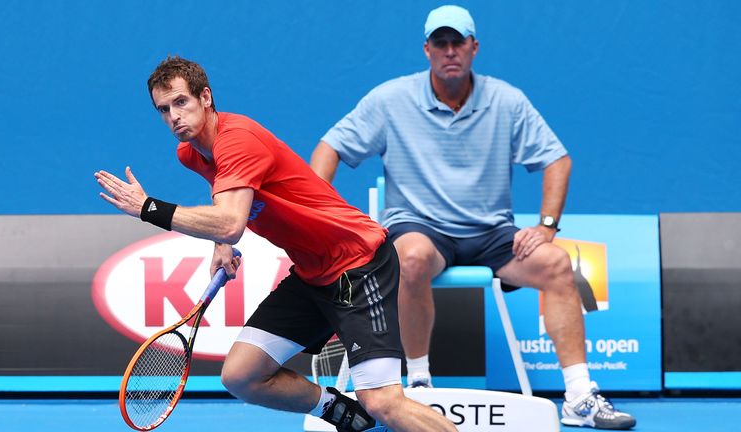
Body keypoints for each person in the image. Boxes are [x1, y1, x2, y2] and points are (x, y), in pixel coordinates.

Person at [310, 5, 635, 430]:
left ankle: (579, 396)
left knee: (556, 264)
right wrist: (321, 217)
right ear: (427, 49)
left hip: (491, 231)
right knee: (410, 257)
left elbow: (557, 160)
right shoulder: (390, 100)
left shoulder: (506, 100)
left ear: (473, 47)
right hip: (420, 225)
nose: (450, 51)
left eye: (457, 42)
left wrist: (547, 226)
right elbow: (329, 148)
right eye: (440, 43)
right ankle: (421, 387)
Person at [94, 56, 457, 432]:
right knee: (242, 375)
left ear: (206, 97)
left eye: (181, 102)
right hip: (313, 273)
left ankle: (374, 413)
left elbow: (232, 222)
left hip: (357, 264)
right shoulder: (191, 152)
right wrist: (219, 244)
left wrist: (148, 208)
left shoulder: (239, 140)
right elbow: (225, 199)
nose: (173, 117)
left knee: (384, 401)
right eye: (163, 109)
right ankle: (347, 416)